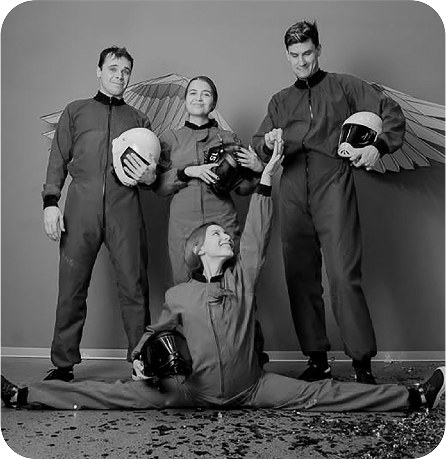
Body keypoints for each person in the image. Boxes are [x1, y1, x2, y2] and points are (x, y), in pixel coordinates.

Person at [1, 145, 445, 412]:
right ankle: (23, 396)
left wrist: (265, 183)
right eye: (217, 235)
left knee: (327, 394)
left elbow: (256, 236)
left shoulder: (242, 279)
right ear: (199, 249)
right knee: (108, 394)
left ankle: (416, 399)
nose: (225, 236)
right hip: (188, 391)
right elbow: (156, 332)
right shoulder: (179, 294)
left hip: (253, 388)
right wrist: (139, 359)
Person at [251, 20, 406, 384]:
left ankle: (361, 364)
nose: (301, 61)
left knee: (343, 275)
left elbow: (391, 112)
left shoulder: (345, 86)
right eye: (294, 55)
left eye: (307, 53)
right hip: (291, 187)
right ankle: (317, 361)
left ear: (318, 50)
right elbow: (258, 142)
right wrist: (267, 143)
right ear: (287, 55)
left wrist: (378, 146)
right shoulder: (279, 101)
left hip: (333, 182)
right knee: (299, 277)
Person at [41, 46, 157, 382]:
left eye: (125, 71)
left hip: (125, 208)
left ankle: (142, 361)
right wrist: (51, 202)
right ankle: (63, 364)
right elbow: (57, 159)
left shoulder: (139, 120)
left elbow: (154, 172)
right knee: (72, 286)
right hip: (81, 206)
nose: (119, 76)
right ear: (99, 71)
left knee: (135, 285)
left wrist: (151, 177)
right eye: (113, 69)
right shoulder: (76, 111)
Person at [153, 75, 264, 286]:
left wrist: (258, 170)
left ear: (213, 103)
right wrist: (187, 172)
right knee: (184, 283)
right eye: (193, 93)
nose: (198, 98)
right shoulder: (169, 139)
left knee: (231, 283)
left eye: (205, 94)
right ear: (185, 100)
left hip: (222, 218)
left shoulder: (228, 138)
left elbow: (242, 188)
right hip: (183, 222)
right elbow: (159, 187)